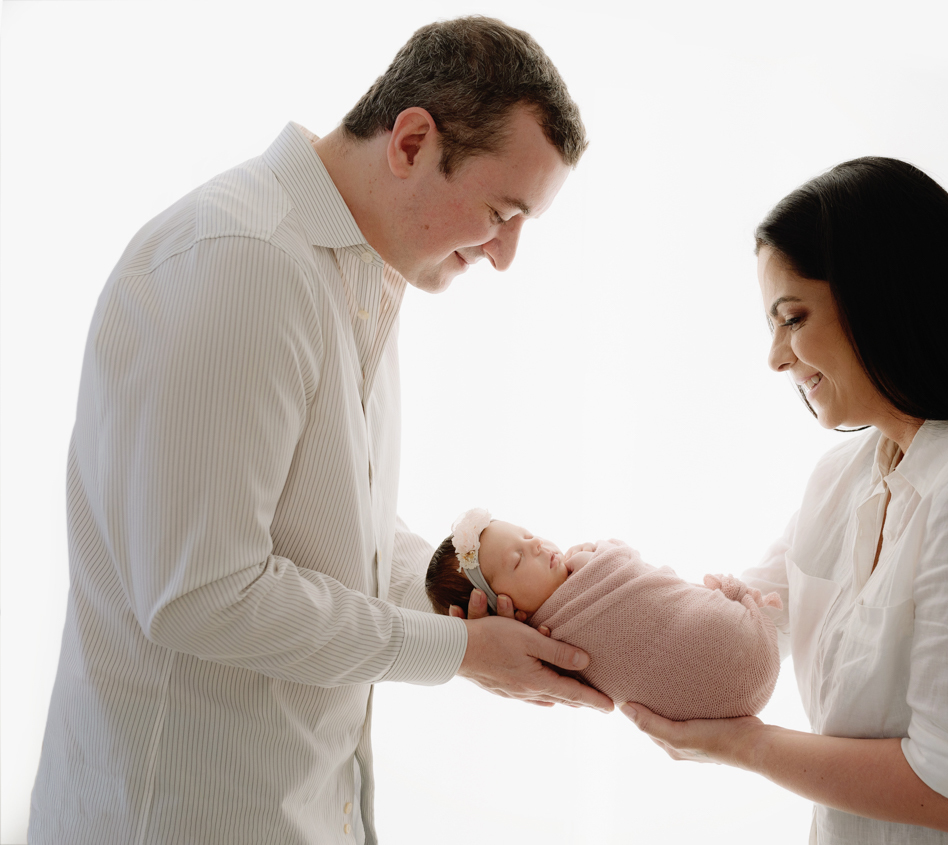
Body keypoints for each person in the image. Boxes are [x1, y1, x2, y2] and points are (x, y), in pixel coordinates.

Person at [28, 16, 612, 845]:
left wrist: (460, 579)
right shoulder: (246, 260)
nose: (504, 254)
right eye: (499, 211)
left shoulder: (358, 268)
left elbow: (324, 529)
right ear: (411, 142)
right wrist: (457, 652)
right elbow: (202, 592)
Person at [622, 158, 948, 843]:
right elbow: (732, 634)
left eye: (793, 317)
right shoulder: (844, 479)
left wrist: (744, 745)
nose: (775, 357)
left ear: (883, 299)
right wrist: (545, 593)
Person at [426, 509, 781, 719]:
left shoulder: (544, 661)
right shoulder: (544, 650)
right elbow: (623, 559)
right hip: (735, 653)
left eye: (529, 536)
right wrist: (600, 553)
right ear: (504, 614)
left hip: (726, 690)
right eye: (518, 560)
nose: (536, 545)